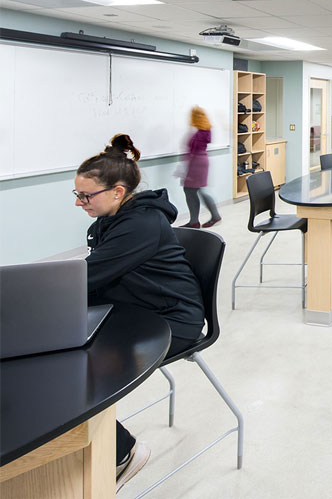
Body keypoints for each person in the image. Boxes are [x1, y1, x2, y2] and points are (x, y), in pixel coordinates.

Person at [75, 134, 205, 491]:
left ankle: (124, 452)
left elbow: (89, 276)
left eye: (85, 196)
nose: (79, 203)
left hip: (171, 320)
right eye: (77, 195)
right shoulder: (114, 218)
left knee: (76, 365)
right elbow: (95, 274)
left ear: (117, 192)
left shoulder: (140, 225)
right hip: (137, 307)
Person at [180, 106, 221, 228]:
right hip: (202, 161)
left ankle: (199, 220)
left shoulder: (199, 134)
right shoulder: (205, 130)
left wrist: (184, 169)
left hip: (196, 163)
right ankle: (201, 219)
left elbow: (192, 152)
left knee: (191, 190)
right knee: (196, 190)